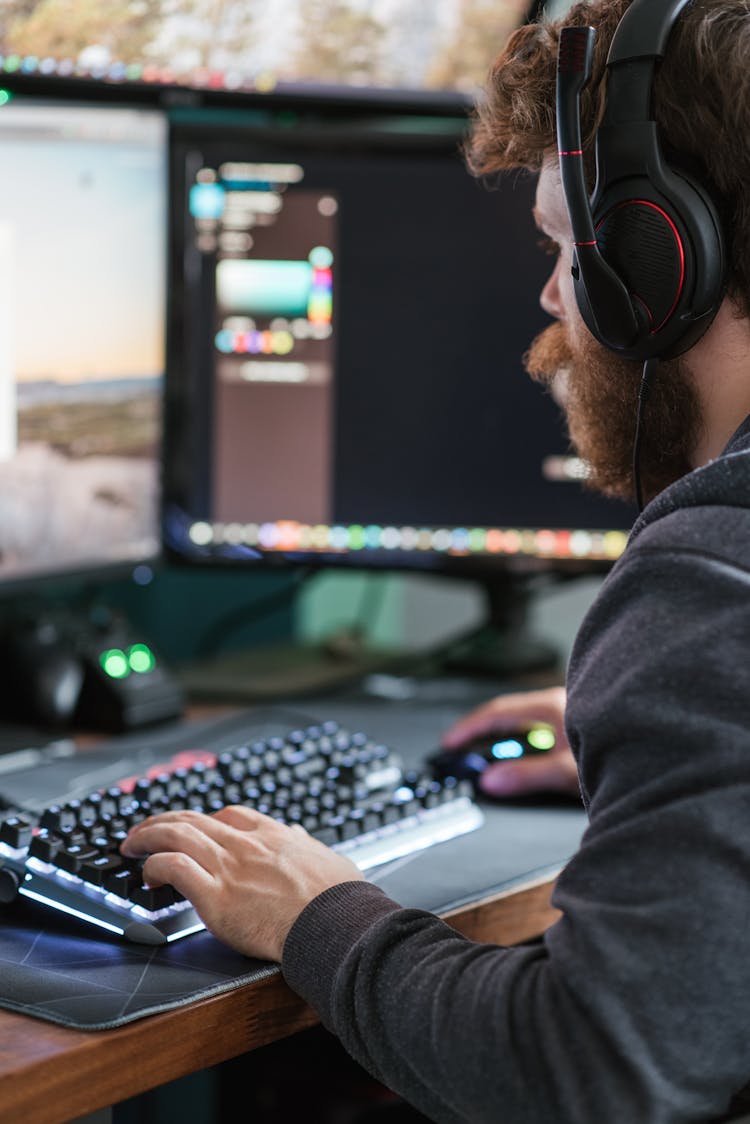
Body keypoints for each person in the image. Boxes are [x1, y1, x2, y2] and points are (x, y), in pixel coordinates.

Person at [122, 1, 750, 1120]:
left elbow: (591, 1073)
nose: (555, 294)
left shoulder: (709, 579)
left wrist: (320, 910)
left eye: (573, 246)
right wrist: (661, 746)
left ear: (665, 262)